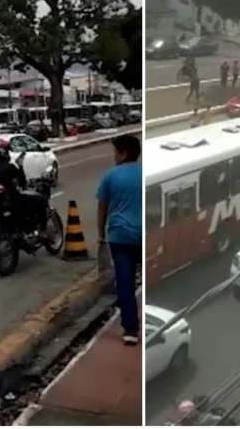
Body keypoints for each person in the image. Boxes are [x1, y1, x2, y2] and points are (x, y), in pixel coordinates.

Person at [96, 134, 142, 345]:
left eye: (115, 152)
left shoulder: (110, 176)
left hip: (120, 236)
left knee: (125, 282)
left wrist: (101, 235)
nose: (113, 155)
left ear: (123, 153)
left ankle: (131, 330)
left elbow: (102, 207)